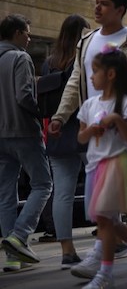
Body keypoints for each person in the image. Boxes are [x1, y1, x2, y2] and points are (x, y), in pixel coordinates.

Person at [48, 0, 127, 279]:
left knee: (108, 199)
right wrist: (62, 116)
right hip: (97, 129)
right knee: (126, 196)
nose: (97, 8)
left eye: (104, 4)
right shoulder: (86, 41)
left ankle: (100, 256)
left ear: (120, 9)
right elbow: (76, 81)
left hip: (124, 129)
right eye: (96, 2)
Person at [75, 45, 127, 288]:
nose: (91, 76)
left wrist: (117, 120)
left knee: (106, 222)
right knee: (106, 219)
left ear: (110, 74)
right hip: (94, 167)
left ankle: (105, 275)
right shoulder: (89, 105)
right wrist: (92, 129)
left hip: (116, 165)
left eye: (95, 71)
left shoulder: (126, 103)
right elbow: (81, 138)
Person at [0, 14, 53, 271]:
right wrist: (40, 111)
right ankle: (19, 236)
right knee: (43, 184)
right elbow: (24, 95)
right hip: (23, 131)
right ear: (18, 33)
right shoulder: (21, 57)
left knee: (6, 193)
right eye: (27, 33)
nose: (30, 38)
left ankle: (13, 257)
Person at [41, 14, 90, 269]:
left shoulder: (49, 63)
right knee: (98, 182)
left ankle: (67, 250)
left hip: (57, 132)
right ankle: (110, 237)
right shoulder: (81, 60)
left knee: (62, 192)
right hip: (82, 129)